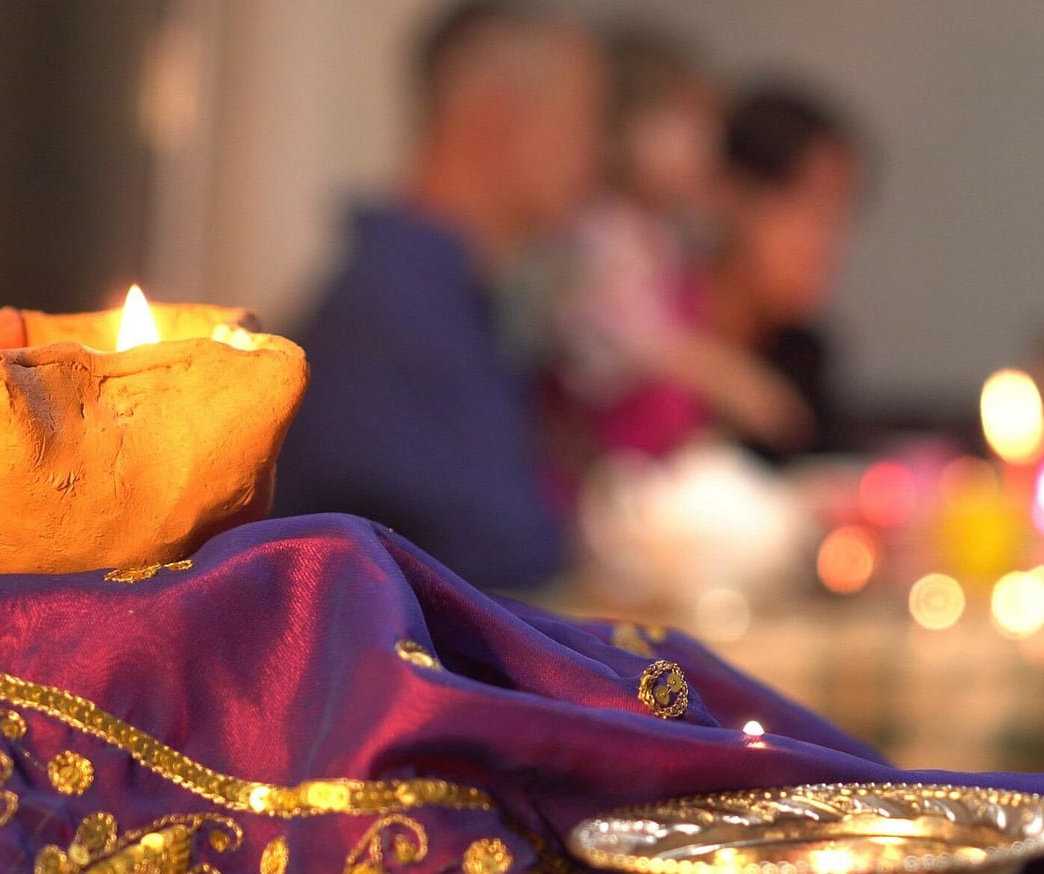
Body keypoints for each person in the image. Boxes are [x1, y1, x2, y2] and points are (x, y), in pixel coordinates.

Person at [276, 1, 603, 590]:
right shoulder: (394, 313)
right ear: (494, 116)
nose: (592, 157)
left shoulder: (450, 296)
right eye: (578, 121)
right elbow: (507, 552)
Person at [554, 27, 809, 462]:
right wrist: (725, 374)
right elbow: (616, 343)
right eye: (685, 124)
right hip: (604, 465)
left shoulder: (662, 235)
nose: (706, 147)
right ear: (619, 126)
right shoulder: (594, 232)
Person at [707, 85, 864, 462]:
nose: (825, 244)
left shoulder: (803, 357)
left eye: (837, 218)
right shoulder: (653, 339)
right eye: (807, 210)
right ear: (731, 198)